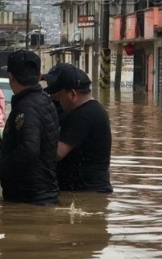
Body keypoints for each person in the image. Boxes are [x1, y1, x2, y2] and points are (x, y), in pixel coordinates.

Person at [0, 50, 59, 205]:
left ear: (11, 77)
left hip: (29, 198)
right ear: (39, 75)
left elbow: (28, 150)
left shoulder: (26, 107)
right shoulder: (45, 101)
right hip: (44, 193)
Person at [42, 63, 113, 193]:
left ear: (72, 94)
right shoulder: (91, 110)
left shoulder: (83, 115)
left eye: (59, 96)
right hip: (86, 191)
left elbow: (56, 153)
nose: (56, 100)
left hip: (87, 193)